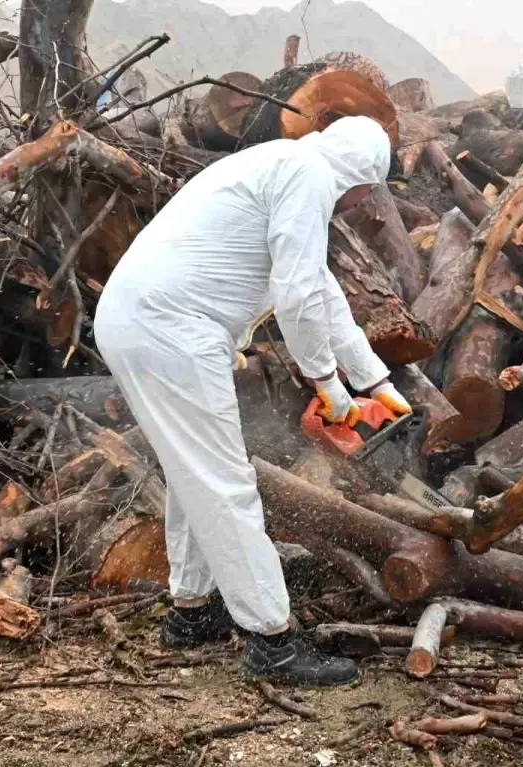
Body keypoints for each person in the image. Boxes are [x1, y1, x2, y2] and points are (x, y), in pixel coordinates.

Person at [93, 116, 413, 687]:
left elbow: (320, 291)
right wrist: (328, 386)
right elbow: (295, 298)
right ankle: (273, 640)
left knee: (196, 473)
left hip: (147, 321)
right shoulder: (308, 176)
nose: (364, 205)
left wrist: (377, 384)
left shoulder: (289, 166)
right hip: (168, 328)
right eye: (368, 195)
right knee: (224, 481)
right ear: (363, 182)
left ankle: (192, 611)